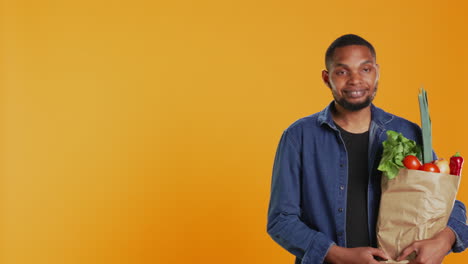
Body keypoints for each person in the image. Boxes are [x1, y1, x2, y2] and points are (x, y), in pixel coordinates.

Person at [266, 34, 468, 264]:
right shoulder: (299, 136)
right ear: (326, 78)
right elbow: (281, 220)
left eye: (365, 69)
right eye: (342, 71)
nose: (355, 80)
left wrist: (444, 240)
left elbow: (445, 202)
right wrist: (339, 255)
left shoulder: (408, 134)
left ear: (377, 73)